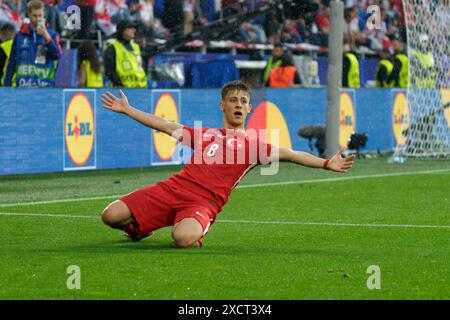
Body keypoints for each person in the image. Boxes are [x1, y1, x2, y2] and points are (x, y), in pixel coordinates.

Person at [100, 80, 355, 248]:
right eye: (233, 100)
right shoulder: (203, 134)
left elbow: (292, 154)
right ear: (223, 106)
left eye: (244, 101)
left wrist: (325, 163)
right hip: (172, 189)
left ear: (249, 109)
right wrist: (129, 110)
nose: (239, 105)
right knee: (109, 216)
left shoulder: (255, 146)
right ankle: (140, 229)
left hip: (203, 203)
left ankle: (193, 225)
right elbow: (165, 125)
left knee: (183, 240)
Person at [4, 0, 62, 87]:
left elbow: (57, 55)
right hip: (23, 89)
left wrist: (47, 37)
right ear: (29, 15)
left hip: (45, 89)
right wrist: (6, 87)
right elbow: (11, 64)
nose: (38, 19)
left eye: (40, 16)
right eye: (35, 16)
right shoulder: (20, 36)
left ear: (44, 15)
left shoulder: (52, 35)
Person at [103, 19, 147, 88]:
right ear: (122, 30)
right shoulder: (112, 48)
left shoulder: (136, 47)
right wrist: (120, 85)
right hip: (121, 91)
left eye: (134, 28)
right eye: (130, 28)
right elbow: (110, 71)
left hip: (140, 89)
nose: (134, 30)